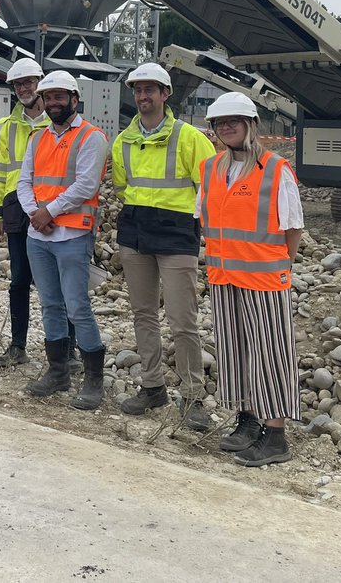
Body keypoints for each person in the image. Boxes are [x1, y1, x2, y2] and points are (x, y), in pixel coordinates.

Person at [198, 93, 304, 466]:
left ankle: (275, 435)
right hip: (224, 276)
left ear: (251, 125)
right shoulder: (211, 168)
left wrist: (281, 267)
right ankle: (246, 418)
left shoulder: (275, 170)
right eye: (219, 123)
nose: (225, 128)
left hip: (263, 279)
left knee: (270, 354)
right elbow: (208, 221)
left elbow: (293, 227)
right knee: (234, 350)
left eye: (233, 121)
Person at [111, 62, 217, 429]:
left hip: (176, 236)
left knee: (182, 320)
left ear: (165, 94)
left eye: (150, 90)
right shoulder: (123, 141)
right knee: (143, 314)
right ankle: (152, 386)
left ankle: (192, 395)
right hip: (136, 234)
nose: (143, 96)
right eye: (138, 90)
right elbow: (123, 188)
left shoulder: (189, 138)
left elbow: (211, 187)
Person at [16, 71, 109, 409]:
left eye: (59, 97)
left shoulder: (91, 137)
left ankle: (93, 380)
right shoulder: (38, 138)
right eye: (48, 97)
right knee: (50, 305)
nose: (53, 103)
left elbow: (86, 185)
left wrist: (48, 212)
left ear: (74, 99)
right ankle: (58, 372)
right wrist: (34, 214)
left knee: (77, 307)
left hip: (72, 234)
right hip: (38, 234)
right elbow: (24, 181)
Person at [0, 57, 80, 370]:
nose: (25, 88)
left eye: (29, 82)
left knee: (59, 281)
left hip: (55, 208)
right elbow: (1, 169)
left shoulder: (57, 122)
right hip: (18, 206)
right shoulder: (10, 126)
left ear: (40, 82)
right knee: (19, 282)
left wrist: (54, 207)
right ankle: (18, 346)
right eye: (18, 84)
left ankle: (68, 350)